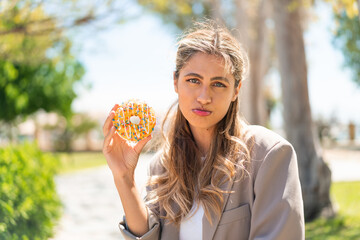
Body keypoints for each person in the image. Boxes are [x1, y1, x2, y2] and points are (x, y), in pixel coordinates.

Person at [102, 21, 305, 240]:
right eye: (193, 80)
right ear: (175, 82)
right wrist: (124, 178)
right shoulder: (162, 166)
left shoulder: (269, 155)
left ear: (236, 90)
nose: (204, 97)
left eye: (218, 84)